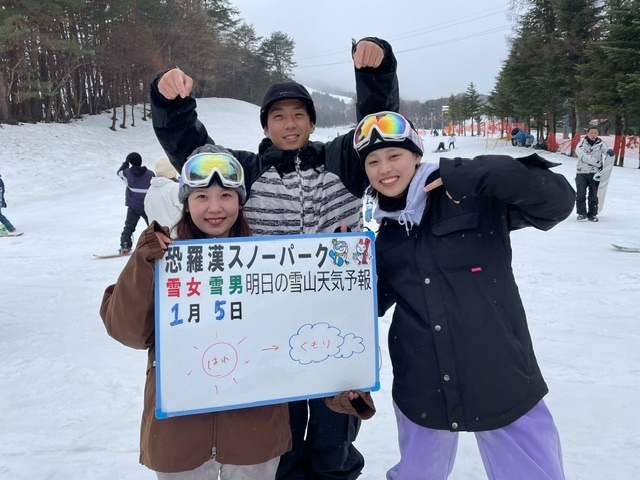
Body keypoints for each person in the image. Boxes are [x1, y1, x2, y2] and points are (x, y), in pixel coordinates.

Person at [150, 36, 398, 480]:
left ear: (311, 122)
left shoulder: (343, 161)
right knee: (277, 435)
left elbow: (376, 124)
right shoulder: (246, 170)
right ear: (265, 126)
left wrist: (374, 72)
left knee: (333, 432)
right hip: (266, 328)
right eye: (278, 116)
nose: (289, 123)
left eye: (299, 114)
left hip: (336, 325)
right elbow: (193, 150)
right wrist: (172, 104)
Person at [100, 145, 375, 479]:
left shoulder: (270, 258)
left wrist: (340, 268)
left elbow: (302, 334)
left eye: (226, 195)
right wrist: (144, 263)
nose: (215, 208)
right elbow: (127, 331)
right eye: (201, 196)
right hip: (179, 434)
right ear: (186, 201)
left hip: (254, 438)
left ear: (240, 200)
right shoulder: (161, 255)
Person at [353, 111, 575, 480]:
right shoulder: (385, 235)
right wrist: (341, 262)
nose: (384, 168)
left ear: (416, 156)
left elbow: (556, 202)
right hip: (421, 382)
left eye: (395, 156)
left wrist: (477, 173)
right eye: (373, 161)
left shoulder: (470, 196)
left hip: (500, 370)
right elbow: (366, 305)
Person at [117, 152, 155, 254]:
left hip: (133, 207)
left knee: (129, 227)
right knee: (152, 227)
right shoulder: (150, 174)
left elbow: (119, 173)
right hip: (147, 206)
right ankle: (155, 245)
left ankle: (125, 246)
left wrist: (125, 163)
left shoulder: (127, 173)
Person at [575, 126, 615, 222]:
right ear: (587, 133)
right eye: (592, 133)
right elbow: (584, 156)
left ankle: (592, 214)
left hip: (595, 174)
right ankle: (581, 213)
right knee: (581, 194)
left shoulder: (601, 144)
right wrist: (598, 163)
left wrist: (609, 152)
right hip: (582, 173)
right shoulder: (581, 144)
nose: (594, 135)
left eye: (596, 133)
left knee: (594, 195)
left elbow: (605, 149)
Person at [144, 155, 182, 230]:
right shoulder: (174, 188)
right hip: (176, 236)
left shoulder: (151, 189)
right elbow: (188, 210)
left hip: (157, 236)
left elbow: (147, 210)